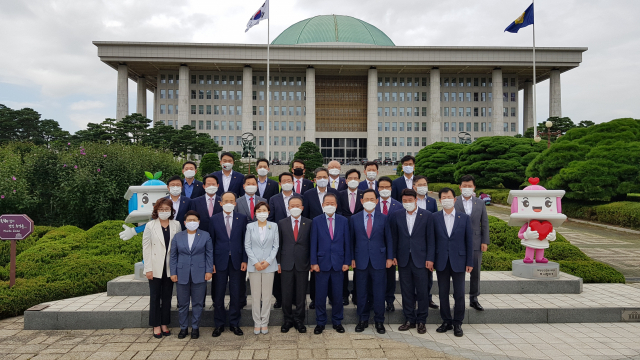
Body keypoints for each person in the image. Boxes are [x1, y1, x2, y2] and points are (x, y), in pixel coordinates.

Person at [388, 189, 435, 335]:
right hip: (403, 259)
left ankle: (422, 320)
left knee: (422, 291)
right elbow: (394, 238)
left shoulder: (427, 215)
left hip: (421, 260)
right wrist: (393, 254)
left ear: (416, 199)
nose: (407, 203)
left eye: (410, 200)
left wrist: (430, 258)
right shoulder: (397, 215)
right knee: (406, 291)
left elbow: (431, 239)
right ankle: (409, 319)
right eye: (405, 200)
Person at [432, 187, 473, 337]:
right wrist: (431, 259)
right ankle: (446, 321)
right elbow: (432, 241)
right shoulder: (434, 217)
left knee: (459, 293)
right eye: (444, 197)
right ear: (440, 200)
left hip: (459, 261)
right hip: (441, 260)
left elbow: (469, 242)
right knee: (443, 293)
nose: (446, 199)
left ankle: (458, 323)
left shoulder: (464, 218)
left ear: (455, 199)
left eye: (449, 197)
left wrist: (470, 261)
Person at [350, 189, 392, 334]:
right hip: (360, 260)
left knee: (379, 292)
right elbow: (351, 241)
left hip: (379, 260)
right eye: (366, 199)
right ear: (361, 201)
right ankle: (362, 319)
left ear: (376, 201)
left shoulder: (384, 218)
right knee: (361, 292)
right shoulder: (354, 218)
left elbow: (389, 240)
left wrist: (389, 258)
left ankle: (379, 320)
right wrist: (352, 258)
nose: (369, 201)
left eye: (372, 199)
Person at [310, 193, 351, 335]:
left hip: (339, 263)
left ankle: (337, 321)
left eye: (332, 203)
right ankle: (320, 322)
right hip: (321, 264)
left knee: (338, 295)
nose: (329, 205)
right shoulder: (316, 220)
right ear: (322, 205)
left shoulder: (343, 221)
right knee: (320, 296)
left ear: (336, 205)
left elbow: (347, 242)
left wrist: (347, 261)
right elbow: (313, 243)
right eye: (327, 203)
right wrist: (313, 262)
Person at [209, 191, 248, 337]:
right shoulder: (214, 219)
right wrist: (211, 262)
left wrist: (244, 259)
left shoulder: (242, 218)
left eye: (231, 201)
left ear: (235, 203)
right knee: (218, 294)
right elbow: (211, 242)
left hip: (237, 261)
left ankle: (234, 323)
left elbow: (245, 240)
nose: (229, 203)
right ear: (220, 203)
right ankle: (219, 324)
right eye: (226, 201)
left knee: (236, 293)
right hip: (219, 261)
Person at [169, 210, 213, 339]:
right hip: (181, 273)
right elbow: (173, 256)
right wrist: (173, 272)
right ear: (184, 222)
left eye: (194, 220)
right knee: (182, 304)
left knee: (197, 303)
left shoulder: (205, 235)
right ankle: (183, 328)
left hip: (199, 273)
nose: (192, 222)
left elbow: (209, 254)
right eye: (189, 220)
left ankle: (195, 327)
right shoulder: (178, 236)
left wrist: (208, 270)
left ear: (198, 222)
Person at [142, 198, 181, 338]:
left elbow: (178, 247)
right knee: (155, 296)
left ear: (171, 211)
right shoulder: (150, 226)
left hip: (170, 267)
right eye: (161, 209)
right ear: (156, 210)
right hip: (155, 266)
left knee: (167, 297)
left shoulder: (176, 224)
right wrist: (148, 268)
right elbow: (146, 248)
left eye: (167, 209)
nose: (164, 212)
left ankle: (165, 323)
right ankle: (155, 325)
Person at [302, 167, 339, 309]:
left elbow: (338, 210)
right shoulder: (308, 193)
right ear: (315, 179)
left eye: (325, 176)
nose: (322, 179)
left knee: (332, 269)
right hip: (315, 233)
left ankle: (332, 297)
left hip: (331, 234)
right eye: (319, 177)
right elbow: (307, 214)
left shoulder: (334, 193)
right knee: (316, 269)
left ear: (329, 178)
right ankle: (314, 298)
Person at [455, 175, 489, 311]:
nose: (467, 188)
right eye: (464, 185)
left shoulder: (480, 203)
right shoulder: (454, 200)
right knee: (458, 271)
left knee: (475, 272)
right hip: (458, 242)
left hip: (476, 241)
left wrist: (485, 241)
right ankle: (458, 297)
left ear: (474, 187)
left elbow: (485, 223)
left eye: (470, 186)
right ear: (460, 187)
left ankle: (474, 298)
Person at [277, 195, 311, 333]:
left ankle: (299, 320)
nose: (295, 208)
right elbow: (279, 244)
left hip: (303, 263)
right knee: (286, 293)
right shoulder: (281, 223)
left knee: (301, 293)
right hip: (286, 263)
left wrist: (311, 262)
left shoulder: (309, 223)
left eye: (298, 206)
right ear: (288, 207)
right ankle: (287, 319)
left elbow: (311, 244)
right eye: (293, 206)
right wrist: (278, 262)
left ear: (302, 208)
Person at [244, 202, 279, 335]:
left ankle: (265, 322)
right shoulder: (250, 226)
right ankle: (256, 322)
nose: (261, 212)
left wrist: (268, 261)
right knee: (256, 295)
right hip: (255, 266)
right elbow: (247, 246)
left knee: (267, 295)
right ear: (255, 213)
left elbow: (276, 246)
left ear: (268, 212)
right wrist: (255, 262)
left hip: (269, 266)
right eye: (259, 210)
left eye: (264, 210)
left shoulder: (274, 226)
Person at [267, 171, 295, 308]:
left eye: (289, 180)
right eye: (284, 181)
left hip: (296, 237)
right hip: (279, 237)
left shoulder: (300, 198)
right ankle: (279, 297)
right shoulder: (274, 199)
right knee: (278, 268)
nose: (287, 183)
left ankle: (294, 297)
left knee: (295, 267)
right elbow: (270, 219)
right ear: (279, 183)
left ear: (293, 182)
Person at [337, 168, 364, 305]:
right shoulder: (340, 194)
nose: (353, 180)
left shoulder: (364, 195)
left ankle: (357, 294)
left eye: (356, 178)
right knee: (345, 264)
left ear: (359, 180)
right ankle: (343, 294)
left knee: (359, 264)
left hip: (361, 233)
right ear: (346, 180)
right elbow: (338, 212)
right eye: (350, 178)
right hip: (344, 232)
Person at [377, 176, 403, 312]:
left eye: (387, 187)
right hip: (376, 246)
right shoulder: (373, 204)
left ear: (391, 189)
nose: (384, 189)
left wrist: (394, 253)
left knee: (390, 276)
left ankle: (389, 300)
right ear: (378, 189)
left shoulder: (398, 206)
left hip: (391, 247)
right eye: (382, 187)